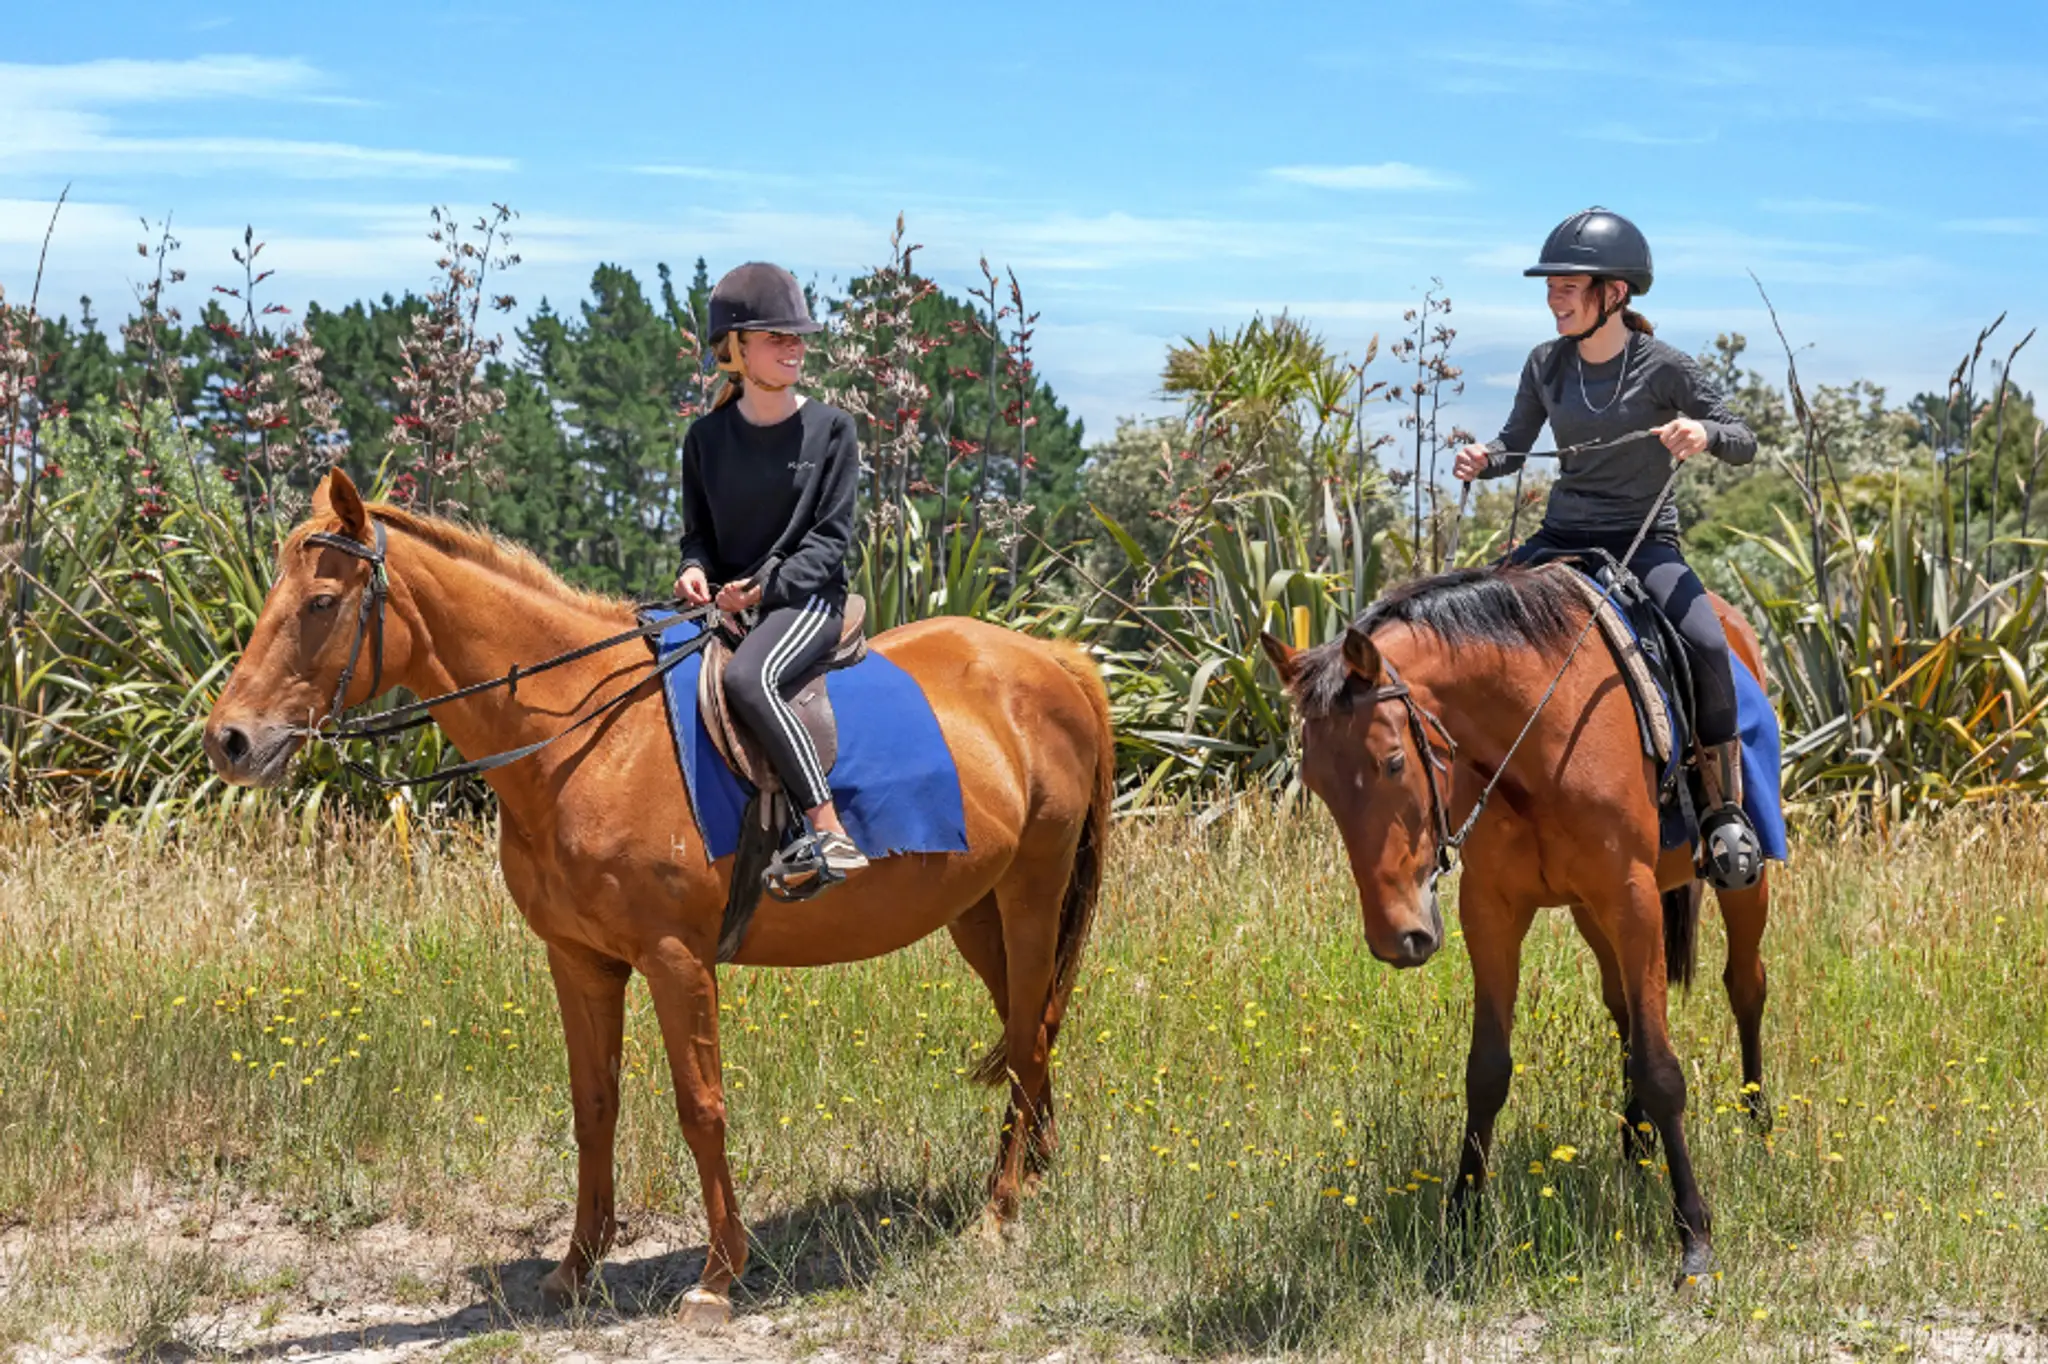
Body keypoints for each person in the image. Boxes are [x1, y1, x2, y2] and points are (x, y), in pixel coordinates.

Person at [1452, 207, 1764, 890]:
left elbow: (1743, 437)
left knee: (1707, 642)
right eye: (1550, 287)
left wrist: (1704, 435)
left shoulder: (1665, 368)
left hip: (1643, 541)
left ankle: (1724, 812)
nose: (1553, 299)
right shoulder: (1546, 364)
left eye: (1568, 287)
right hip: (1561, 538)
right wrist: (1485, 457)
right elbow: (1514, 444)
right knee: (1468, 632)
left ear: (1613, 293)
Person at [674, 262, 867, 892]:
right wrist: (694, 569)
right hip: (728, 605)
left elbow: (830, 543)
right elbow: (697, 535)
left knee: (749, 677)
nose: (794, 346)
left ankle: (828, 830)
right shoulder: (704, 440)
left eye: (797, 336)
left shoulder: (833, 430)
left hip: (807, 600)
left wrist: (766, 587)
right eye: (776, 336)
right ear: (736, 350)